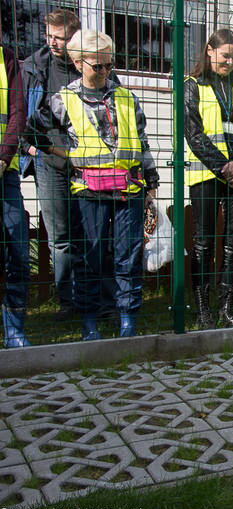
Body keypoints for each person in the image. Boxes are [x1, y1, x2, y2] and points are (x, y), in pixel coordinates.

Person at [26, 29, 159, 340]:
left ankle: (128, 321)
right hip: (87, 191)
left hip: (129, 189)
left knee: (128, 256)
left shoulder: (127, 98)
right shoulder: (63, 99)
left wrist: (151, 184)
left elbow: (142, 143)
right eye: (95, 65)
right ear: (76, 62)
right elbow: (33, 134)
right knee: (90, 257)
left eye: (108, 66)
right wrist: (67, 156)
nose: (102, 72)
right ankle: (90, 324)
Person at [184, 29, 233, 329]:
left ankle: (225, 308)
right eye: (225, 55)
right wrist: (224, 168)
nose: (229, 62)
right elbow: (194, 135)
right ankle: (203, 309)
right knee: (204, 243)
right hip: (206, 174)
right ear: (209, 51)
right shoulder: (192, 86)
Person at [18, 9, 82, 320]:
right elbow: (20, 111)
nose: (54, 42)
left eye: (61, 37)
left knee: (89, 232)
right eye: (50, 35)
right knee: (60, 237)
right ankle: (67, 301)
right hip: (48, 161)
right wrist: (28, 147)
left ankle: (91, 299)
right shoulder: (33, 68)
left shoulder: (89, 66)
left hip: (86, 162)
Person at [0, 35, 29, 347]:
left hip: (4, 172)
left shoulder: (6, 60)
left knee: (19, 251)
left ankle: (14, 328)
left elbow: (17, 113)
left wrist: (3, 156)